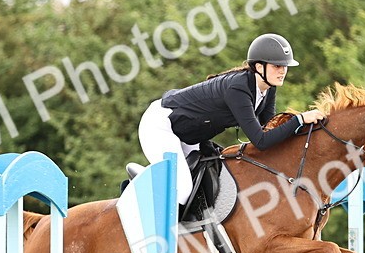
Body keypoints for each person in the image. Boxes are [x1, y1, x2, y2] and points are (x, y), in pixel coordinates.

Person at [137, 33, 325, 205]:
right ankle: (139, 186)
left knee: (207, 184)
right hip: (161, 126)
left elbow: (268, 129)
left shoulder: (268, 88)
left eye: (284, 66)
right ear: (260, 67)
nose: (283, 71)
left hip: (189, 135)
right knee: (184, 190)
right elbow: (260, 141)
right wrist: (299, 120)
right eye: (277, 66)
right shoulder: (238, 88)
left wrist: (302, 131)